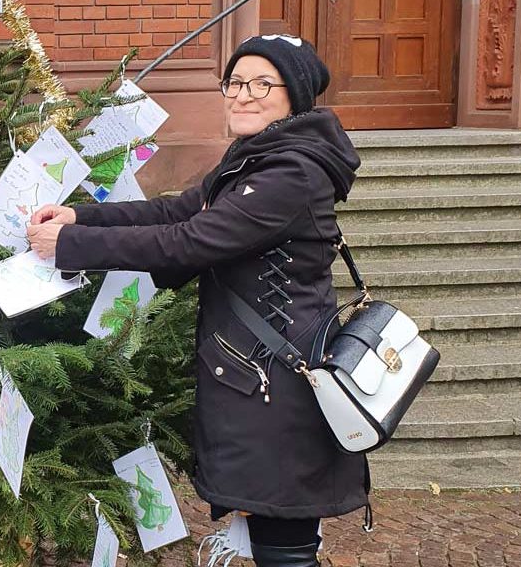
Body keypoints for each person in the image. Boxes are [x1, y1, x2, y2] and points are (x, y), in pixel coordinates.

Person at [27, 35, 367, 567]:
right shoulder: (256, 158)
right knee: (275, 535)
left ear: (294, 96)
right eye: (236, 82)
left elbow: (189, 241)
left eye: (263, 84)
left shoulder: (292, 173)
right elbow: (177, 211)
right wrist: (81, 217)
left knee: (286, 544)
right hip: (255, 375)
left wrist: (71, 246)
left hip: (281, 384)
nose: (243, 95)